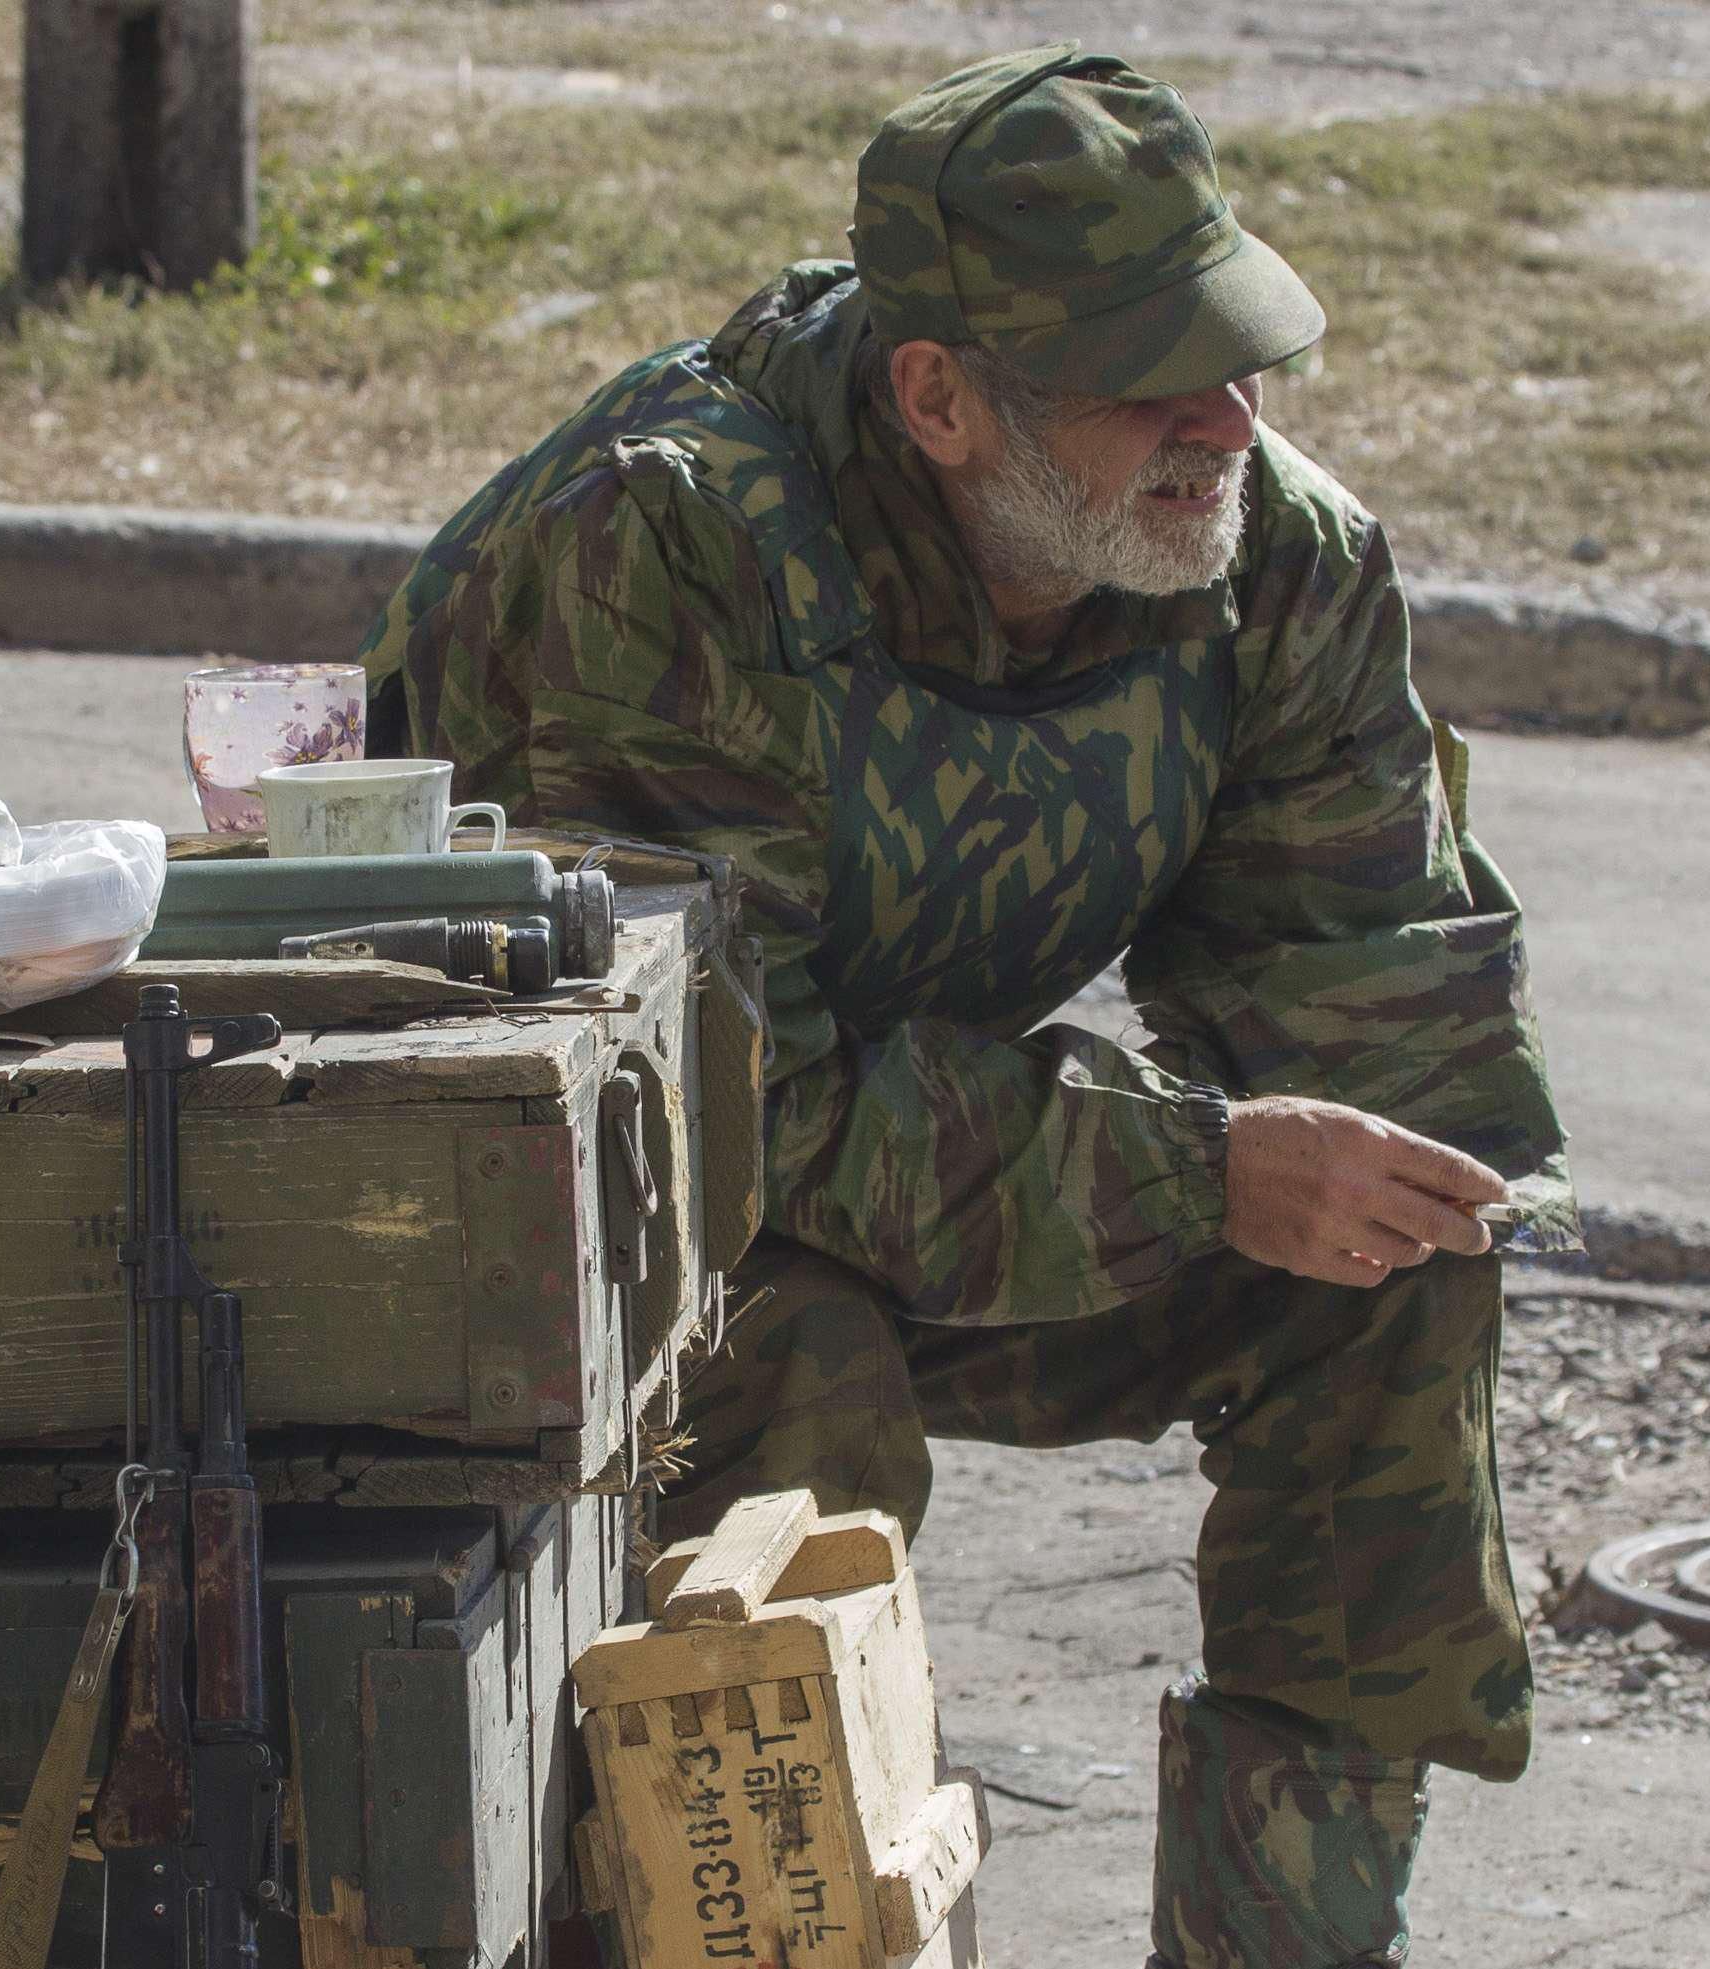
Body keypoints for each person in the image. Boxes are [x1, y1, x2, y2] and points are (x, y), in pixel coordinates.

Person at [360, 45, 1573, 1969]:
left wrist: (1389, 1168)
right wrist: (1199, 1170)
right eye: (1150, 379)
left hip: (911, 1160)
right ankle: (758, 1933)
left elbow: (1380, 1003)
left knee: (1388, 1268)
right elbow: (713, 1115)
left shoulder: (1269, 554)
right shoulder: (659, 550)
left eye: (1239, 352)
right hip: (592, 1228)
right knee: (802, 1376)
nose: (1227, 421)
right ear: (938, 397)